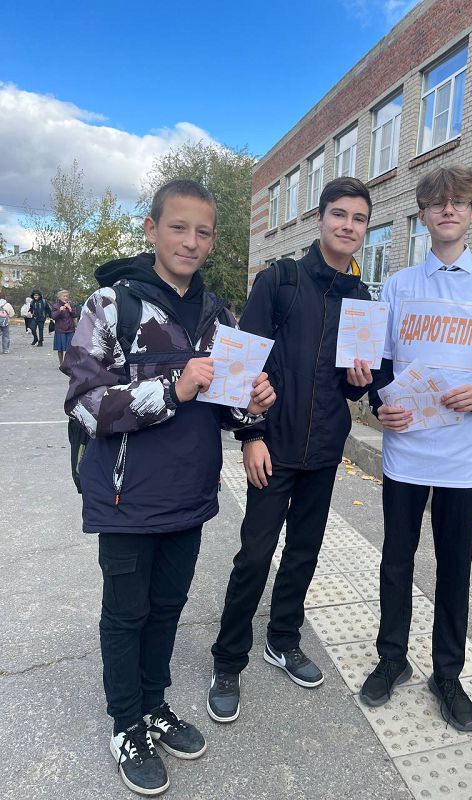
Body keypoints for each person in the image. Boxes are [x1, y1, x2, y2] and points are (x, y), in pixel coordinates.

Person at [61, 179, 276, 797]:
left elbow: (228, 404)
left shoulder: (219, 313)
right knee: (125, 614)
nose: (190, 241)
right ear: (152, 230)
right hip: (126, 498)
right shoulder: (111, 305)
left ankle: (154, 705)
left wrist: (253, 404)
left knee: (167, 608)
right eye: (178, 227)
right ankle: (126, 724)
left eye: (203, 232)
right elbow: (85, 404)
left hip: (189, 494)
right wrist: (174, 389)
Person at [359, 165, 472, 732]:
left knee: (454, 567)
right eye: (438, 203)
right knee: (395, 560)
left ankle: (448, 674)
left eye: (459, 202)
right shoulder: (399, 285)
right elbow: (378, 365)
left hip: (465, 460)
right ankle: (392, 659)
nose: (449, 210)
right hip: (406, 453)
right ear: (422, 215)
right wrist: (378, 403)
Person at [207, 177, 374, 723]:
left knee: (304, 552)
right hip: (272, 446)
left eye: (359, 218)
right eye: (339, 214)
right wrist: (251, 436)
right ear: (319, 219)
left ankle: (283, 639)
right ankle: (228, 659)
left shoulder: (361, 299)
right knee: (255, 556)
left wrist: (360, 380)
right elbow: (237, 369)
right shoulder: (278, 280)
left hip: (324, 449)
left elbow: (351, 387)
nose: (348, 225)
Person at [50, 289, 78, 367]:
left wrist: (70, 309)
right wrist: (60, 310)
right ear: (59, 297)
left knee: (70, 348)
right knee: (60, 348)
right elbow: (53, 317)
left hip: (70, 329)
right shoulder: (56, 306)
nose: (65, 298)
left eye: (67, 296)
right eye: (64, 296)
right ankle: (61, 363)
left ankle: (68, 363)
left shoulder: (70, 305)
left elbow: (75, 315)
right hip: (60, 330)